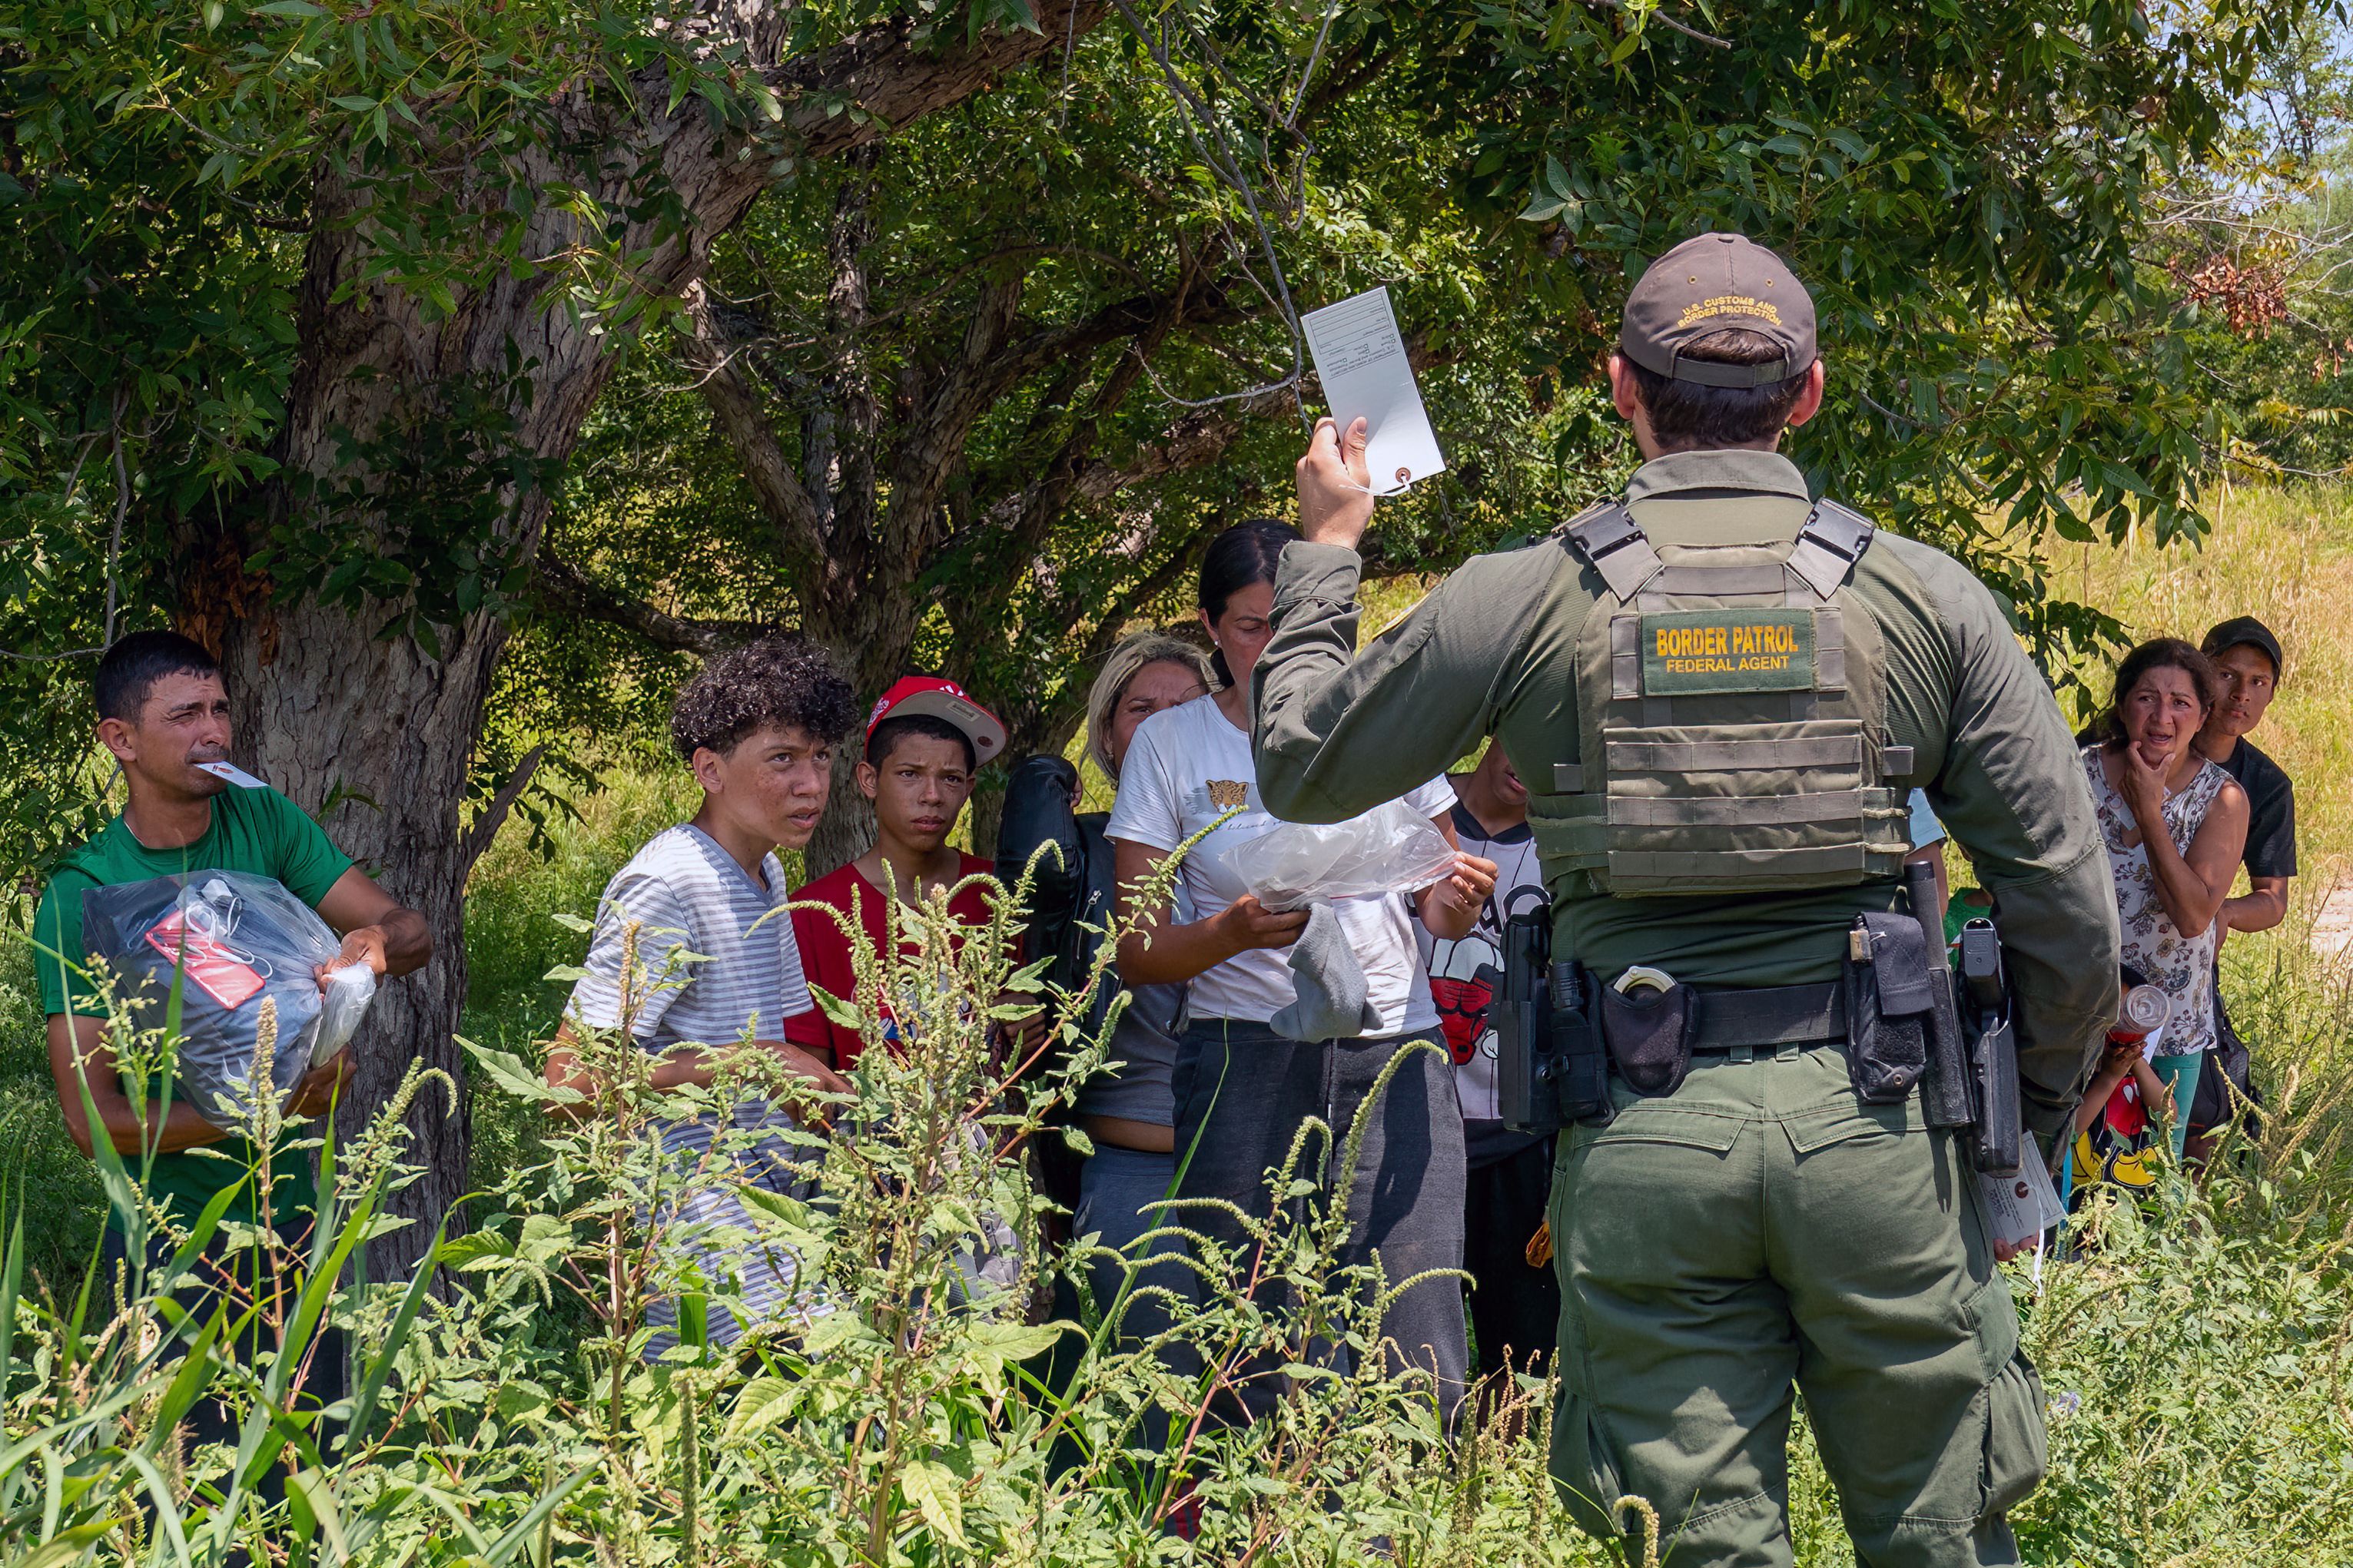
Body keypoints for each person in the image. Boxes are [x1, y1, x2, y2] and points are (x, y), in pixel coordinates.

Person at [1253, 233, 2119, 1565]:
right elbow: (2066, 908)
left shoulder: (1530, 594)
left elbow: (1303, 763)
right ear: (1810, 392)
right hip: (1880, 1132)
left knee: (1696, 1544)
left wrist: (1327, 543)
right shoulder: (1917, 596)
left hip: (1643, 1134)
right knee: (1941, 1538)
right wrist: (2011, 1137)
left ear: (1620, 388)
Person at [1105, 519, 1497, 1425]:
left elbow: (1432, 902)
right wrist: (1235, 932)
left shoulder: (1383, 727)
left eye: (1297, 625)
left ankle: (1403, 1522)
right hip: (1243, 1057)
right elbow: (1136, 948)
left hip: (1394, 1043)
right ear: (1209, 627)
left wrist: (1458, 900)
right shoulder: (1173, 746)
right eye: (1251, 628)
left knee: (1414, 1315)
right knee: (1240, 1322)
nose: (1278, 650)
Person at [35, 631, 433, 1457]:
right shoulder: (86, 894)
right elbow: (94, 1122)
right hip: (168, 1242)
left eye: (220, 709)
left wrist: (371, 947)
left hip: (294, 1224)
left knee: (306, 1477)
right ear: (120, 740)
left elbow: (407, 925)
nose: (213, 731)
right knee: (193, 1495)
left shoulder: (262, 820)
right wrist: (268, 1109)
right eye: (184, 716)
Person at [545, 635, 860, 1351]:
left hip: (767, 1228)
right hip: (695, 1249)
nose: (810, 783)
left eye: (822, 757)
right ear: (709, 769)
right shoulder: (668, 883)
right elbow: (572, 1079)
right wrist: (749, 1061)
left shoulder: (765, 873)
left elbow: (785, 1057)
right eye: (782, 758)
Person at [1418, 741, 1561, 1387]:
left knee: (1524, 1357)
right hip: (1415, 1124)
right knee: (1411, 1353)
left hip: (1525, 1134)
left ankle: (1502, 1482)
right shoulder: (1413, 805)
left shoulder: (1571, 839)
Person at [2082, 638, 2248, 1165]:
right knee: (2062, 1168)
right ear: (2123, 704)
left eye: (2181, 703)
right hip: (2071, 1008)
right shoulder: (2076, 773)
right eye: (2147, 697)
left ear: (2203, 716)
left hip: (2166, 1023)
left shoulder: (2221, 797)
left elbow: (2194, 915)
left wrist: (2149, 811)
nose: (2162, 717)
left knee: (2148, 1182)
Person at [785, 675, 1007, 1068]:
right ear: (869, 780)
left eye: (950, 778)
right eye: (910, 773)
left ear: (969, 788)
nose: (932, 796)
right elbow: (810, 1081)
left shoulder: (1001, 894)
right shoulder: (812, 915)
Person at [2188, 615, 2295, 1155]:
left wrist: (2224, 914)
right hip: (2103, 930)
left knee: (2208, 1104)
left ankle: (2177, 1227)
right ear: (2201, 670)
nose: (2241, 694)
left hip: (2188, 946)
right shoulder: (2148, 734)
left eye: (2259, 682)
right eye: (2228, 674)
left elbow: (2273, 899)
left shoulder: (2267, 785)